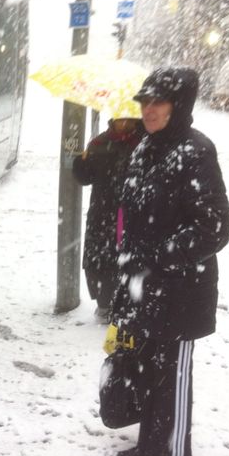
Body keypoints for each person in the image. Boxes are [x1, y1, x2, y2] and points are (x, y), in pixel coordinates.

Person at [110, 68, 229, 456]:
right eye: (145, 102)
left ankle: (170, 454)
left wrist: (161, 256)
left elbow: (215, 227)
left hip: (181, 288)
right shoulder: (147, 147)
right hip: (147, 283)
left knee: (173, 374)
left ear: (178, 106)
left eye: (158, 102)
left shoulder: (195, 151)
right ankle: (150, 443)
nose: (148, 110)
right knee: (149, 368)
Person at [72, 117, 144, 322]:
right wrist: (81, 163)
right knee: (101, 259)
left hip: (135, 212)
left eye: (127, 119)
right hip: (103, 213)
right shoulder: (99, 143)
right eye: (119, 119)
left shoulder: (146, 142)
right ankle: (104, 304)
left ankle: (131, 303)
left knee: (132, 258)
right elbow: (85, 178)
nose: (123, 123)